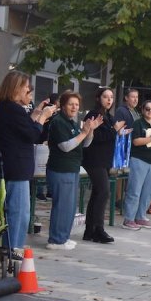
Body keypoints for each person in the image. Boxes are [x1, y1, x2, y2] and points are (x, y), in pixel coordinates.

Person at [0, 71, 57, 256]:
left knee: (21, 211)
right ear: (16, 88)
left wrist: (36, 115)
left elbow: (27, 130)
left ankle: (14, 245)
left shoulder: (10, 109)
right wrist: (42, 116)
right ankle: (13, 247)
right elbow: (31, 135)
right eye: (26, 87)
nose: (28, 90)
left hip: (17, 166)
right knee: (18, 212)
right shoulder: (10, 108)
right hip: (16, 166)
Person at [45, 91, 97, 250]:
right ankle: (56, 240)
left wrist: (90, 131)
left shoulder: (72, 122)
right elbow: (65, 146)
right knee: (62, 205)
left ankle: (63, 237)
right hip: (61, 169)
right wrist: (83, 133)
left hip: (72, 169)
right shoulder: (58, 122)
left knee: (69, 206)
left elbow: (85, 144)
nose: (74, 107)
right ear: (62, 105)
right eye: (70, 104)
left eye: (76, 104)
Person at [82, 87, 127, 244]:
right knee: (104, 192)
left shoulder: (109, 116)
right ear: (98, 98)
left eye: (111, 97)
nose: (109, 100)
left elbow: (110, 136)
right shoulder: (93, 115)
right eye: (105, 97)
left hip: (104, 160)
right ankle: (98, 229)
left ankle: (89, 230)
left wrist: (119, 132)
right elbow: (96, 137)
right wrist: (114, 130)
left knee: (97, 193)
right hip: (94, 159)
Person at [122, 101, 151, 230]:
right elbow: (136, 141)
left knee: (148, 192)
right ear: (142, 110)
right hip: (139, 159)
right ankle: (129, 219)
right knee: (135, 190)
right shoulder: (138, 123)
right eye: (147, 109)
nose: (150, 112)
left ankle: (140, 216)